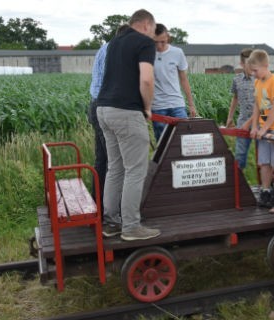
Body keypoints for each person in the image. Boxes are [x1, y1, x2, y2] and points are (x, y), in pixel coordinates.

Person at [95, 9, 160, 241]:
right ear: (146, 25)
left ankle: (111, 222)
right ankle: (132, 226)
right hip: (126, 111)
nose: (153, 35)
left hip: (103, 109)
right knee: (135, 171)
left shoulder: (114, 42)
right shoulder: (144, 42)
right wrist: (148, 107)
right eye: (153, 30)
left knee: (115, 168)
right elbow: (146, 79)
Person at [88, 24, 129, 213]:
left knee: (102, 159)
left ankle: (97, 202)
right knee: (116, 162)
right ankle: (112, 210)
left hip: (95, 105)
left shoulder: (103, 48)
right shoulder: (116, 51)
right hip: (108, 106)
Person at [247, 49, 274, 208]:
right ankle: (265, 191)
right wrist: (254, 127)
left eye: (255, 70)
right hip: (264, 126)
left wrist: (264, 129)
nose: (253, 74)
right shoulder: (258, 82)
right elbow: (257, 105)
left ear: (265, 65)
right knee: (264, 161)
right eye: (251, 71)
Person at [151, 23, 197, 142]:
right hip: (157, 106)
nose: (159, 46)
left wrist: (191, 104)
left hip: (177, 104)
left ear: (168, 37)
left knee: (185, 139)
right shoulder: (147, 53)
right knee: (162, 142)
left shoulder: (177, 52)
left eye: (162, 41)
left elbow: (184, 79)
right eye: (155, 42)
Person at [225, 48, 255, 170]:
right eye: (249, 63)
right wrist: (230, 117)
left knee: (264, 159)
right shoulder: (237, 79)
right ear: (242, 64)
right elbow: (235, 98)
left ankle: (268, 186)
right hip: (243, 121)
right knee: (240, 154)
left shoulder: (261, 79)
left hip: (261, 122)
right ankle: (238, 183)